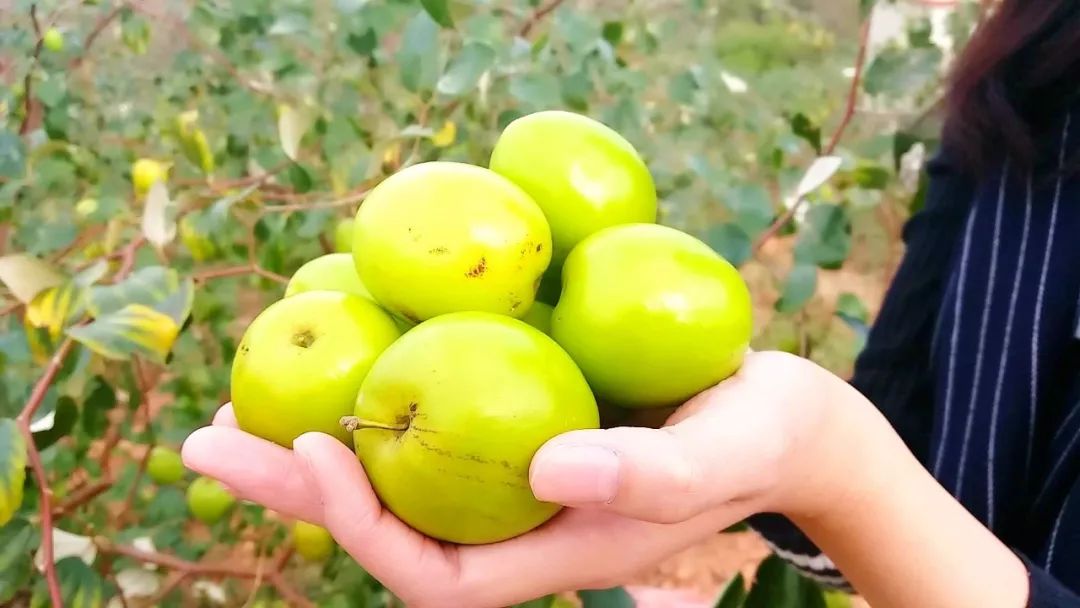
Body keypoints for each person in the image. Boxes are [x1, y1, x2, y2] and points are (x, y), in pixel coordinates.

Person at [181, 2, 1080, 606]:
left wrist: (836, 466)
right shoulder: (1025, 62)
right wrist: (792, 479)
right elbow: (899, 425)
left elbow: (867, 461)